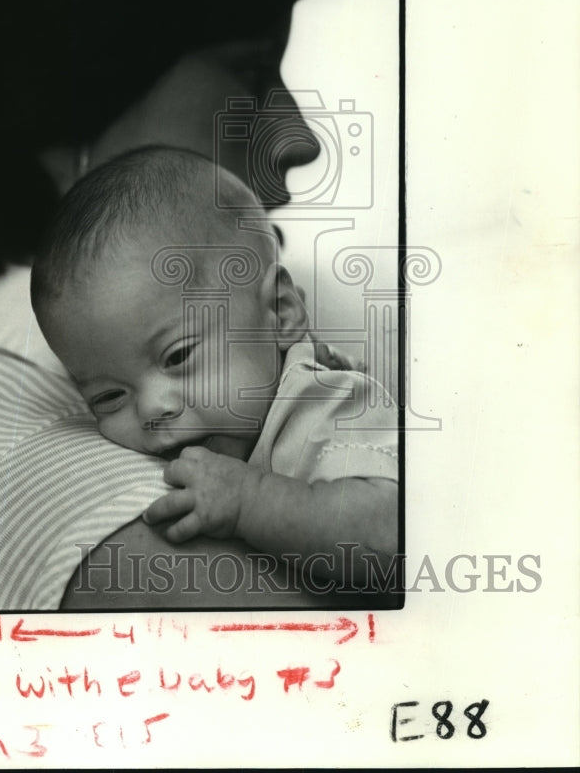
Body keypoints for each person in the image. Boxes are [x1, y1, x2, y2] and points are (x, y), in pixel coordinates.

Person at [29, 146, 398, 592]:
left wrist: (250, 502)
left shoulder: (327, 401)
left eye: (178, 356)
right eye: (108, 397)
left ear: (279, 313)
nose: (152, 408)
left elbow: (390, 535)